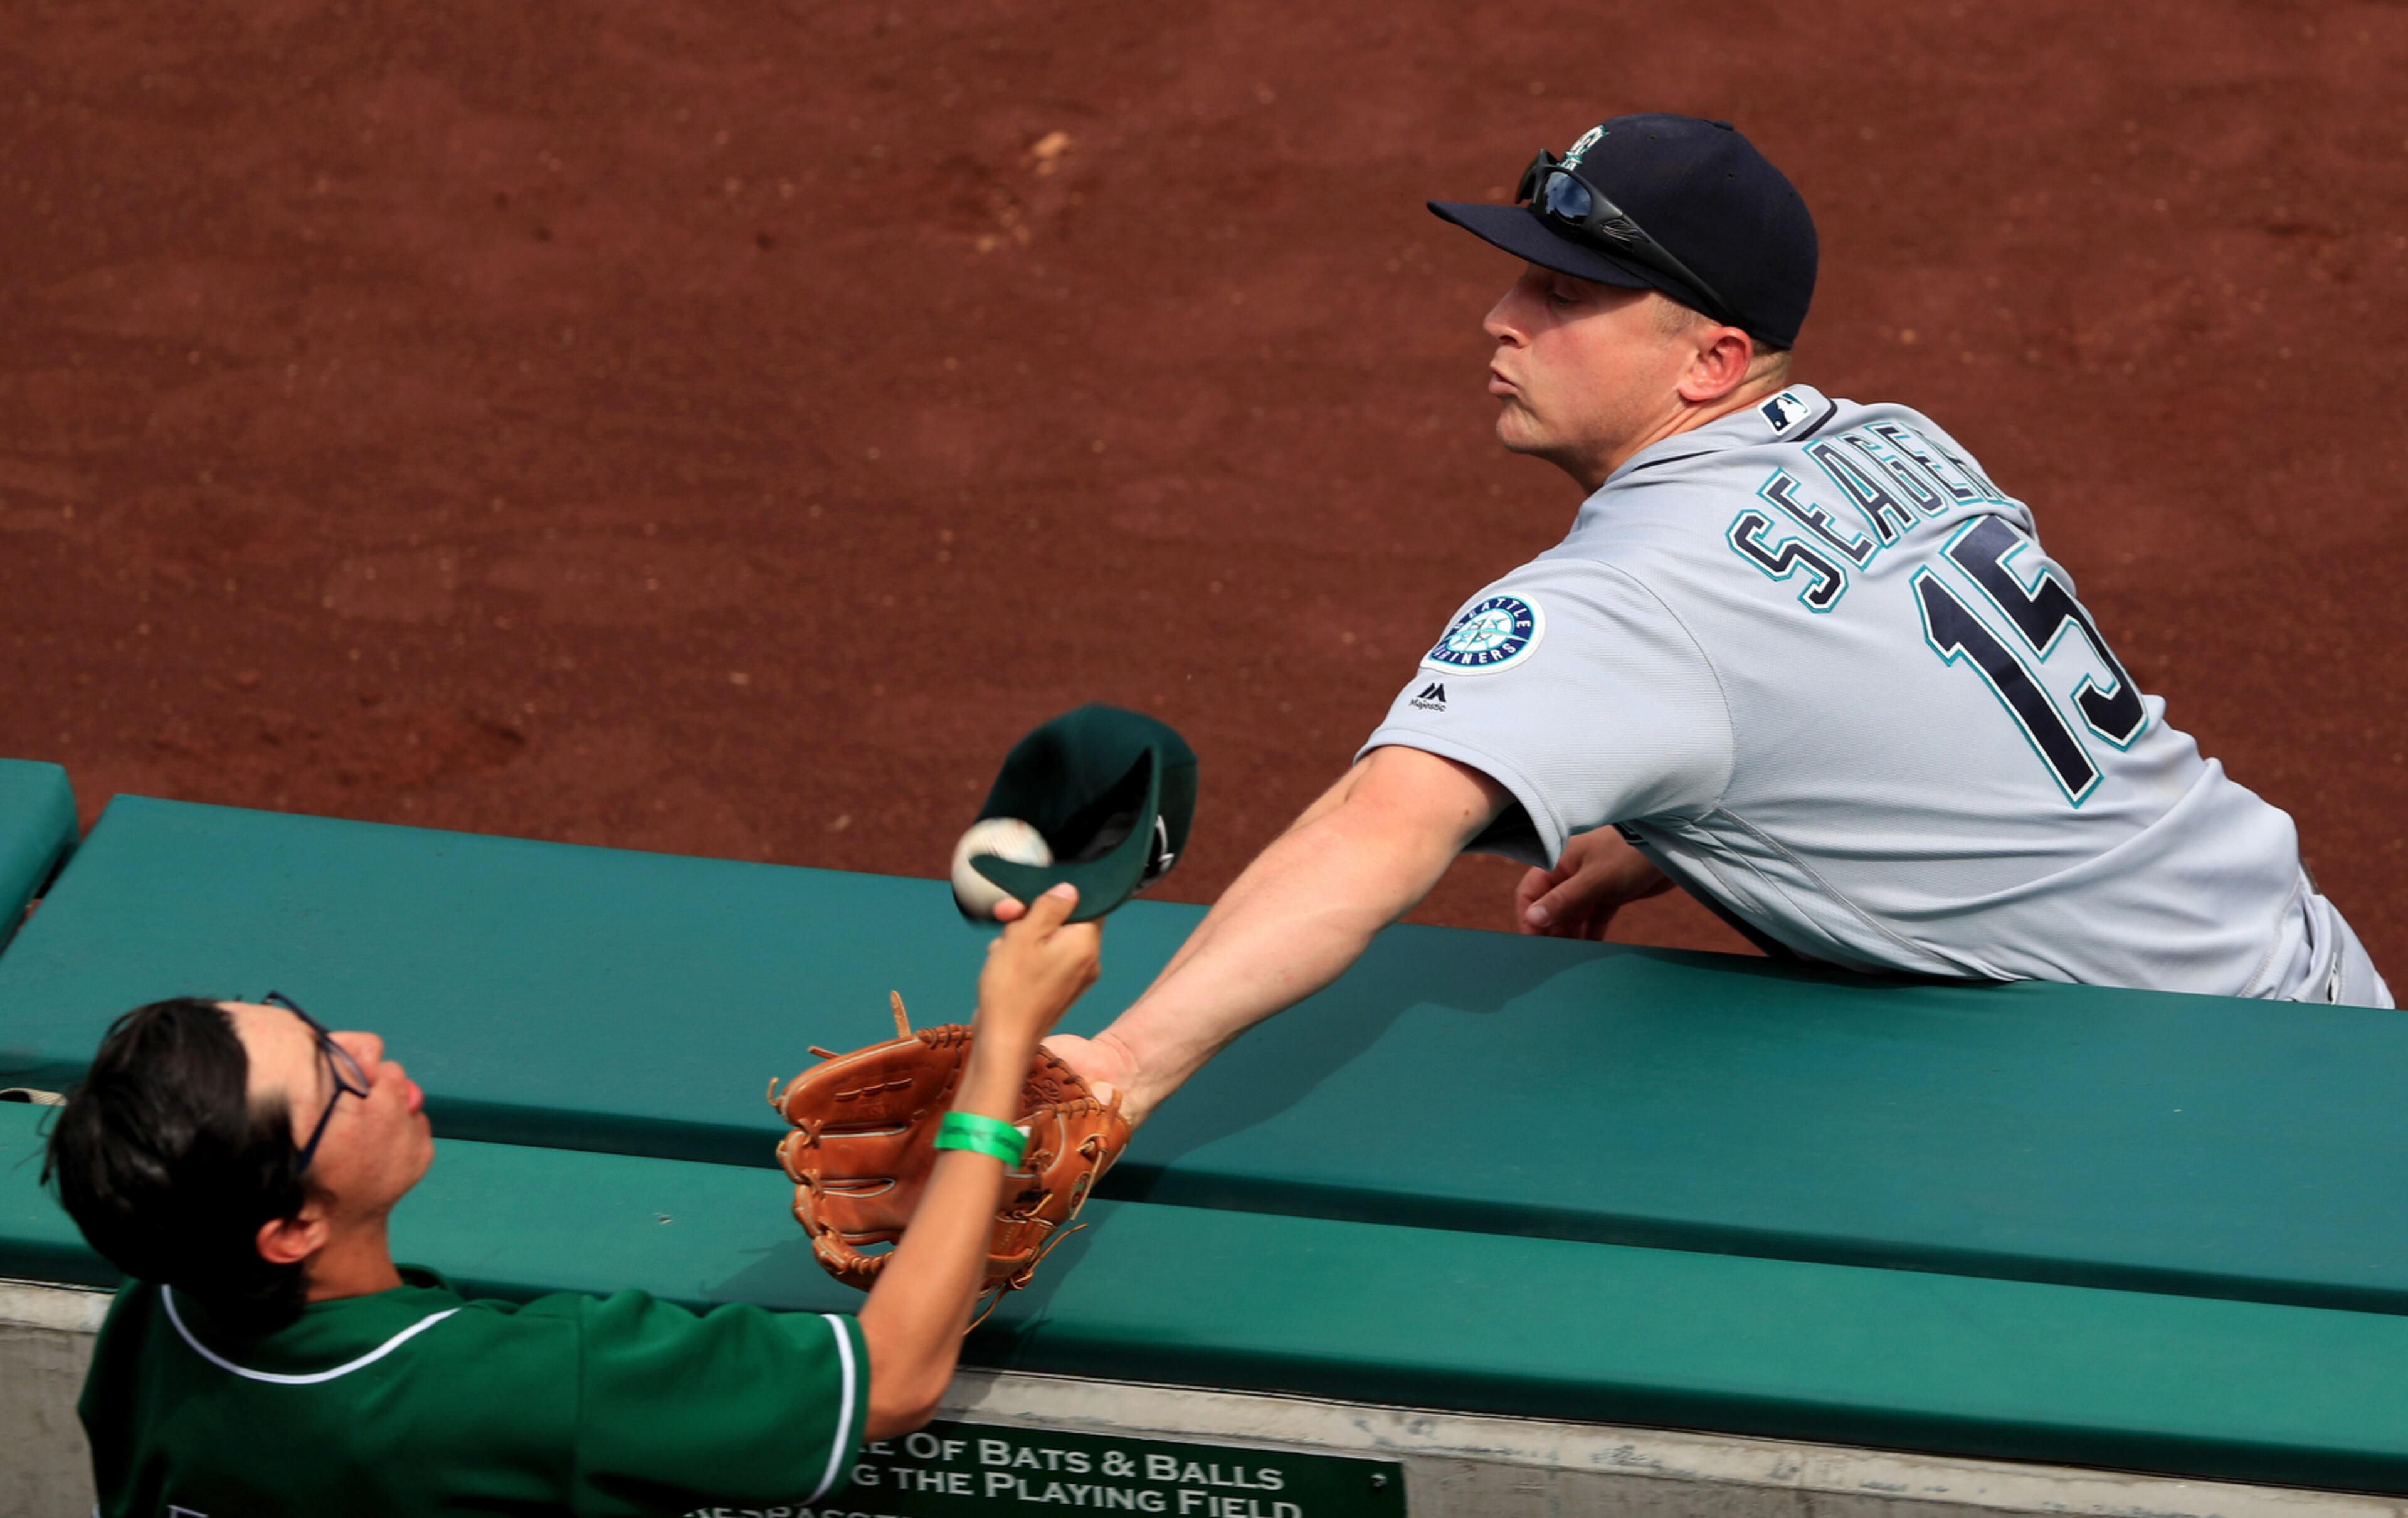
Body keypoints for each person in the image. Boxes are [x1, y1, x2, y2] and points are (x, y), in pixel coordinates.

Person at [1031, 112, 2388, 1129]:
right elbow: (1905, 689)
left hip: (2197, 1110)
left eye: (1563, 295)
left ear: (1712, 361)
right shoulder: (1898, 440)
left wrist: (1124, 1061)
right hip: (2321, 993)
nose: (1499, 316)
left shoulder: (1628, 599)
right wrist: (1681, 822)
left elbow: (1376, 828)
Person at [43, 882, 1102, 1516]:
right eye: (336, 1081)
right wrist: (1001, 1047)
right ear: (290, 1228)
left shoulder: (158, 1319)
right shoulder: (522, 1383)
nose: (367, 1046)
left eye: (314, 1026)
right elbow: (893, 1379)